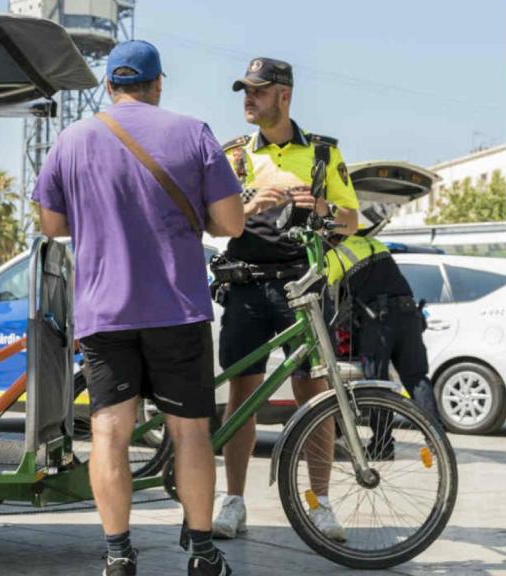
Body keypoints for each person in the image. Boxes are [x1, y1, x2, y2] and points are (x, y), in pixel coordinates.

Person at [33, 40, 244, 576]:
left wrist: (101, 216)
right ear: (158, 84)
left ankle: (118, 555)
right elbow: (231, 223)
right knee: (191, 431)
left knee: (109, 432)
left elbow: (51, 225)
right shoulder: (193, 133)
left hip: (105, 312)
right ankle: (202, 554)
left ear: (109, 85)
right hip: (177, 308)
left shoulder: (72, 140)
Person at [212, 57, 359, 541]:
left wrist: (318, 206)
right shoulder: (233, 155)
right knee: (242, 397)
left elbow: (350, 221)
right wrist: (249, 205)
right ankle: (233, 501)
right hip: (245, 285)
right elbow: (212, 220)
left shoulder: (323, 153)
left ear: (284, 95)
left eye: (257, 90)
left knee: (314, 396)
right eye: (245, 91)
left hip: (302, 285)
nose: (248, 99)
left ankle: (320, 504)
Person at [323, 226, 443, 461]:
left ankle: (382, 446)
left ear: (331, 237)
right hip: (409, 314)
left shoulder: (335, 253)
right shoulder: (375, 243)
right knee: (416, 378)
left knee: (376, 384)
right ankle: (437, 440)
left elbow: (325, 290)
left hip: (380, 320)